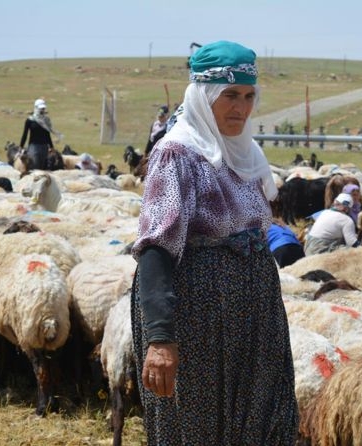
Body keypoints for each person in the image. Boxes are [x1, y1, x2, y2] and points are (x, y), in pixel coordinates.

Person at [130, 40, 299, 445]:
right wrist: (160, 339)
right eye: (229, 96)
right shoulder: (178, 155)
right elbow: (156, 249)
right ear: (205, 97)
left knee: (266, 421)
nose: (240, 107)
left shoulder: (247, 155)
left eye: (248, 96)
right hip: (197, 321)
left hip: (255, 317)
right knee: (197, 428)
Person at [19, 98, 62, 170]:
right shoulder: (30, 120)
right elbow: (25, 134)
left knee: (44, 167)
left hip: (44, 146)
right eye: (40, 109)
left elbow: (47, 134)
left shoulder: (46, 120)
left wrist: (51, 146)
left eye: (43, 109)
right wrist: (21, 146)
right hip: (33, 146)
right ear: (36, 108)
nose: (42, 110)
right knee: (34, 166)